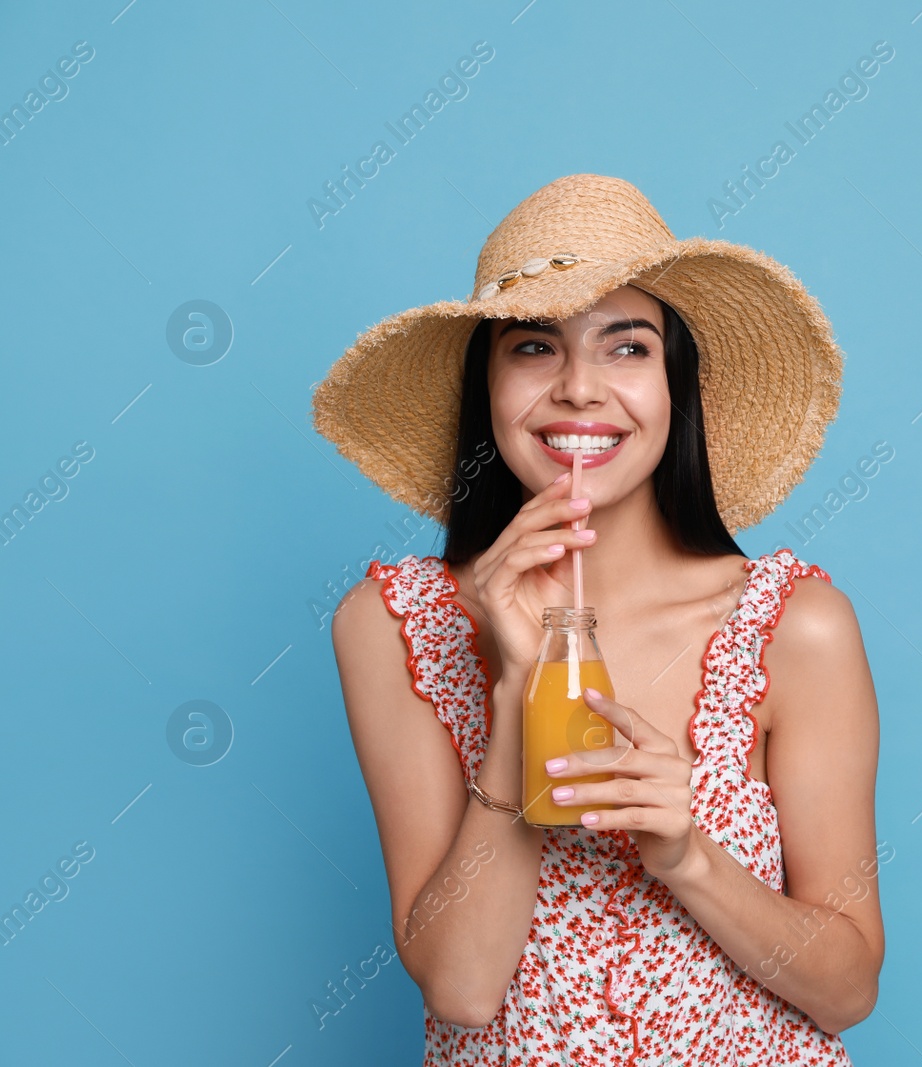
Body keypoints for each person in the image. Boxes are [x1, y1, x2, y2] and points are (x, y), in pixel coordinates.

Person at [311, 173, 884, 1065]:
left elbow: (849, 989)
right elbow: (462, 990)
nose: (580, 389)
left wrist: (687, 854)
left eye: (627, 348)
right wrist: (520, 683)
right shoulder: (395, 623)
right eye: (534, 347)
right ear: (488, 387)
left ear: (676, 386)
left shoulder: (793, 625)